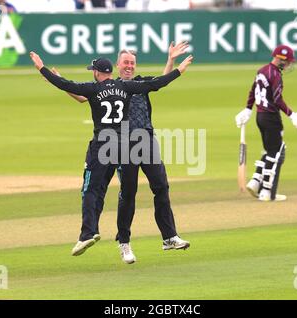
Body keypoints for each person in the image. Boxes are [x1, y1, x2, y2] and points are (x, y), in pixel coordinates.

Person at [30, 51, 193, 258]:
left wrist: (171, 61)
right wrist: (58, 81)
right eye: (125, 62)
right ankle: (124, 243)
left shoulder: (137, 82)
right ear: (116, 66)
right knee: (128, 193)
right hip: (124, 144)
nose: (129, 66)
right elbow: (82, 96)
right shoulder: (119, 86)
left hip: (143, 140)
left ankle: (169, 236)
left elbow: (159, 81)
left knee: (161, 186)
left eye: (132, 63)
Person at [235, 45, 297, 202]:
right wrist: (292, 114)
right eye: (287, 61)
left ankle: (255, 182)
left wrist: (248, 109)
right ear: (280, 59)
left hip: (260, 116)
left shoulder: (262, 70)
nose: (289, 65)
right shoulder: (275, 75)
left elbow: (253, 90)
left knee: (269, 150)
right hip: (271, 117)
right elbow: (277, 98)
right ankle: (267, 192)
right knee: (276, 153)